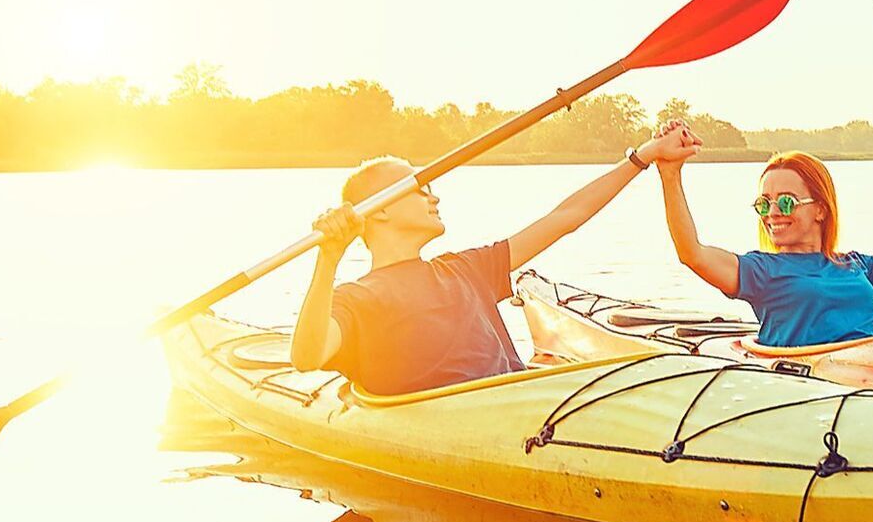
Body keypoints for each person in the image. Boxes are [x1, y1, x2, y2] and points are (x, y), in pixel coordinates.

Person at [292, 128, 694, 395]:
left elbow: (565, 217)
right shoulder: (356, 298)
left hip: (523, 409)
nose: (434, 197)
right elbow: (307, 357)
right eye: (420, 189)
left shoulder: (466, 269)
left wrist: (644, 156)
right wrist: (328, 259)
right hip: (470, 427)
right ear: (379, 210)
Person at [646, 121, 873, 347]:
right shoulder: (760, 271)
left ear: (821, 210)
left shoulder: (856, 265)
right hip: (813, 391)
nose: (773, 213)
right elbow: (692, 252)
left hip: (868, 379)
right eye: (764, 204)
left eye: (786, 202)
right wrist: (670, 173)